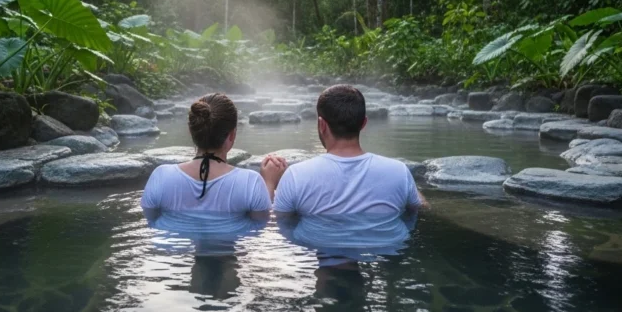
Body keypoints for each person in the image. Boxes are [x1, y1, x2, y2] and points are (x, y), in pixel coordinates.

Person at [273, 85, 426, 215]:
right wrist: (409, 184)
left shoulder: (296, 175)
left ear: (322, 125)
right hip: (386, 249)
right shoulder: (398, 171)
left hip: (320, 248)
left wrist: (270, 182)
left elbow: (272, 221)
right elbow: (422, 208)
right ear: (363, 123)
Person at [141, 93, 287, 222]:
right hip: (229, 248)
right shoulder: (249, 182)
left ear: (191, 132)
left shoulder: (161, 176)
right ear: (232, 135)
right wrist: (269, 183)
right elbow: (263, 222)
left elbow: (150, 220)